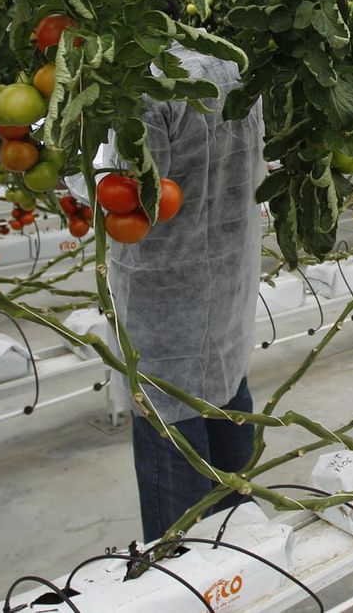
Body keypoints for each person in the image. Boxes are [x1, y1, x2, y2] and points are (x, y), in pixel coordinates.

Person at [106, 44, 265, 542]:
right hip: (226, 289)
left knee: (180, 511)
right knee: (228, 415)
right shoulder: (233, 65)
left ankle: (190, 580)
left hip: (164, 302)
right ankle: (244, 573)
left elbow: (127, 198)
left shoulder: (145, 88)